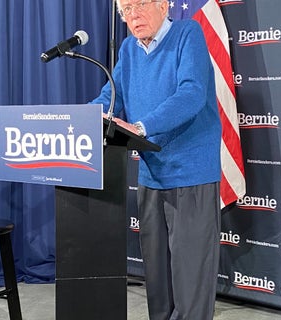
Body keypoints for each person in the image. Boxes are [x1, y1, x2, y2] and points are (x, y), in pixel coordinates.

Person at [91, 0, 222, 319]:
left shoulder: (187, 33)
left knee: (190, 282)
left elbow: (191, 94)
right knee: (158, 285)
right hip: (152, 176)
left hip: (191, 175)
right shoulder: (129, 49)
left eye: (138, 6)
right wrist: (80, 119)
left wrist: (141, 126)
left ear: (163, 5)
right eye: (125, 11)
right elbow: (112, 97)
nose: (132, 16)